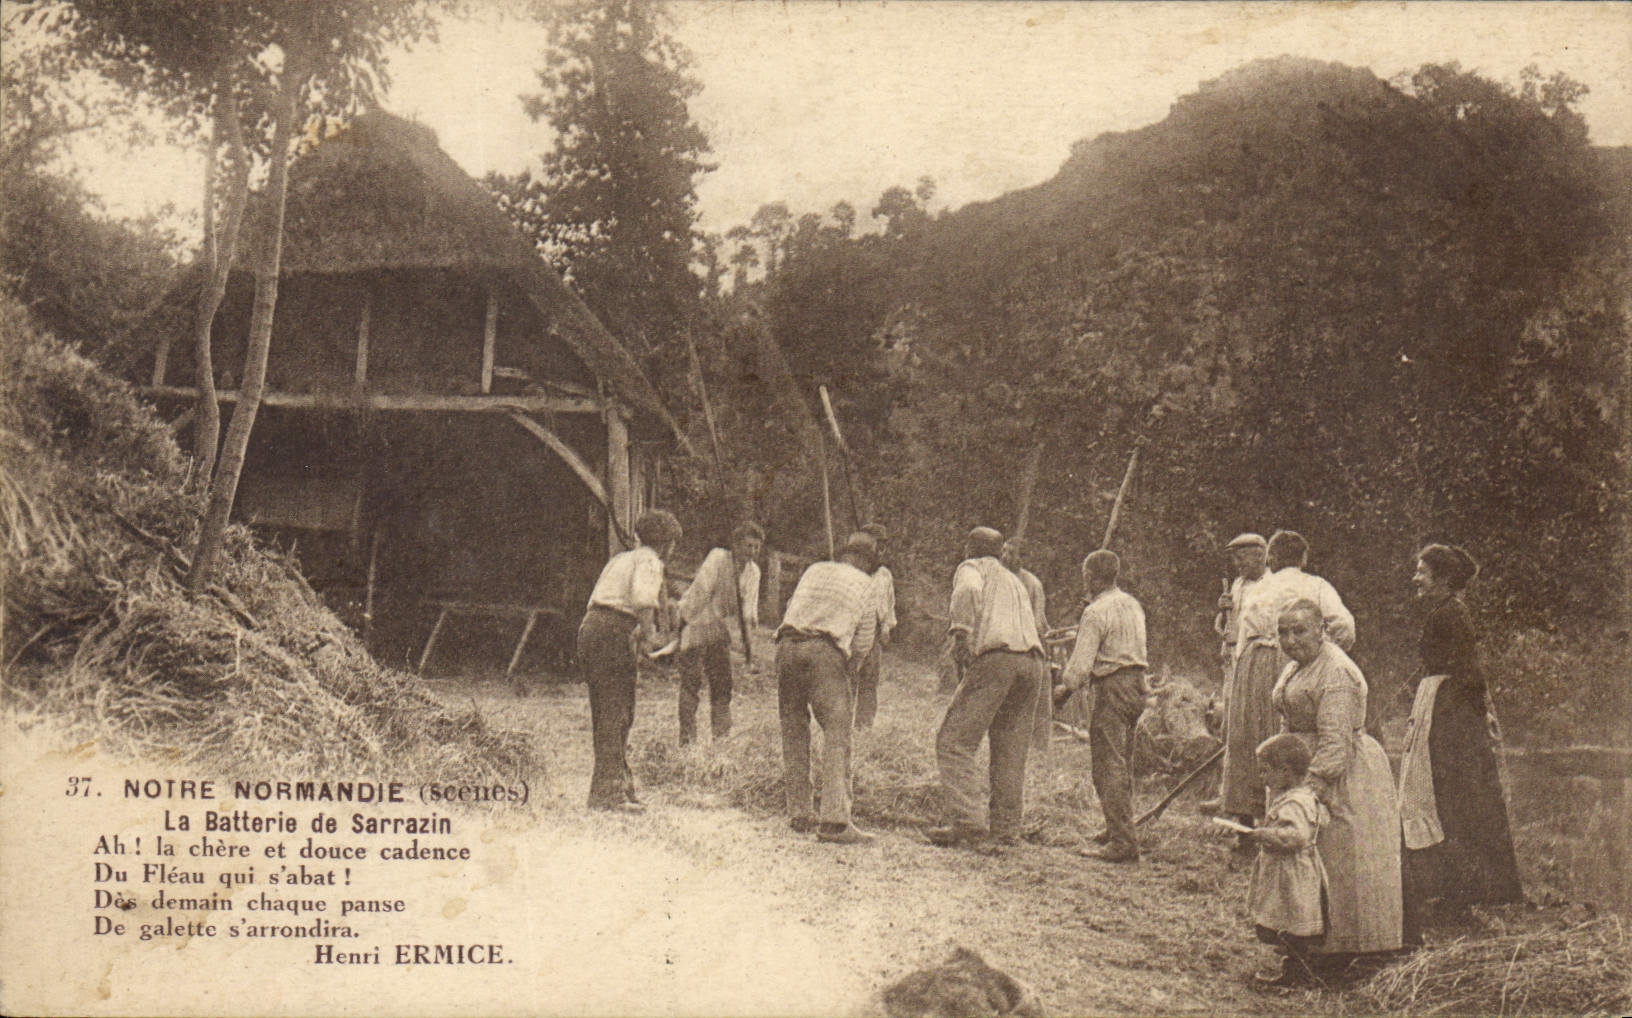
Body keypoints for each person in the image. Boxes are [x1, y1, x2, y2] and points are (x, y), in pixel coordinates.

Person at [1399, 544, 1524, 942]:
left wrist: (1474, 716)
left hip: (1450, 715)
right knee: (1442, 796)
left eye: (1422, 572)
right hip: (1442, 707)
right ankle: (1450, 889)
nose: (1416, 579)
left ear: (1443, 578)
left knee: (1451, 797)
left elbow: (1469, 670)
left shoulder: (1451, 614)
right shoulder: (1445, 613)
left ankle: (1460, 892)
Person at [1271, 599, 1402, 961]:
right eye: (1283, 632)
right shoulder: (1298, 667)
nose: (1290, 639)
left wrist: (1309, 791)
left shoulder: (1336, 672)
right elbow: (1288, 717)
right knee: (1302, 864)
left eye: (1299, 630)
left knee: (1339, 863)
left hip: (1342, 776)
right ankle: (1304, 946)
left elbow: (1336, 742)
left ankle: (1342, 955)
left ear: (1321, 630)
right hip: (1302, 766)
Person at [1223, 530, 1354, 831]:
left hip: (1250, 664)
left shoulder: (1258, 588)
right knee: (1283, 736)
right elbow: (1345, 626)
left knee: (1248, 739)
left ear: (1271, 559)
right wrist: (1324, 652)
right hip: (1288, 661)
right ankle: (1289, 817)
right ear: (1304, 558)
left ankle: (1247, 822)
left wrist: (1239, 672)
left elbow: (1242, 637)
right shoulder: (1315, 585)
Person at [927, 527, 1047, 849]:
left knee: (953, 742)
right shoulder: (1014, 579)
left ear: (970, 548)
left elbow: (966, 591)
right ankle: (1006, 830)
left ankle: (969, 824)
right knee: (1010, 750)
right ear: (998, 551)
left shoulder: (972, 568)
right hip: (1033, 663)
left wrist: (961, 635)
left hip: (999, 659)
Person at [775, 532, 879, 845]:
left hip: (786, 645)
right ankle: (834, 821)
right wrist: (851, 669)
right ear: (867, 562)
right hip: (825, 650)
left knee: (793, 728)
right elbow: (863, 640)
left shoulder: (815, 570)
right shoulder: (867, 584)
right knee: (837, 732)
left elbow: (793, 607)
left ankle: (800, 812)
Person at [578, 510, 682, 812]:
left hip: (592, 626)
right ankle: (608, 793)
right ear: (666, 544)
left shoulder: (622, 558)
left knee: (608, 710)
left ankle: (617, 785)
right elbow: (643, 601)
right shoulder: (650, 561)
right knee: (618, 711)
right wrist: (648, 641)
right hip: (612, 631)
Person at [1053, 548, 1150, 863]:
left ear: (1091, 577)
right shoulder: (1131, 603)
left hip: (1113, 685)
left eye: (1085, 577)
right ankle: (1117, 828)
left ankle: (1123, 842)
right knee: (1123, 761)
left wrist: (1062, 692)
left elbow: (1080, 667)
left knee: (1107, 764)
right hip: (1137, 685)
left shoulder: (1095, 612)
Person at [1246, 733, 1331, 988]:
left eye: (1265, 772)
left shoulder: (1296, 803)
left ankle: (1296, 974)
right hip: (1289, 871)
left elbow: (1297, 836)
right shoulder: (1300, 798)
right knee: (1288, 920)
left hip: (1292, 874)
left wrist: (1265, 834)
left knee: (1292, 921)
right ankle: (1293, 970)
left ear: (1285, 772)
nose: (1262, 778)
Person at [675, 521, 763, 745]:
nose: (751, 552)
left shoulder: (753, 572)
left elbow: (749, 613)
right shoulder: (718, 558)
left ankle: (721, 740)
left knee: (722, 684)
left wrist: (748, 649)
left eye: (756, 547)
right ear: (735, 545)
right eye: (747, 546)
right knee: (691, 682)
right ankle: (687, 741)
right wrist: (683, 621)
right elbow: (700, 591)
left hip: (719, 629)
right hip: (695, 622)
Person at [1202, 532, 1269, 816]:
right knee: (1229, 728)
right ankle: (1227, 793)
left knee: (1251, 730)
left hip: (1257, 666)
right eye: (1234, 557)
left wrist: (1237, 636)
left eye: (1242, 556)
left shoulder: (1271, 585)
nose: (1238, 563)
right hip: (1233, 663)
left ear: (1260, 554)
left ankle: (1256, 797)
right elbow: (1226, 625)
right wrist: (1222, 615)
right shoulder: (1239, 584)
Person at [1002, 539, 1053, 759]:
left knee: (1038, 699)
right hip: (1002, 647)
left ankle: (1039, 749)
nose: (1005, 556)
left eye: (1011, 553)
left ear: (1021, 559)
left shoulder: (1031, 583)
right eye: (1003, 551)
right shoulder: (997, 579)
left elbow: (1038, 621)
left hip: (1025, 646)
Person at [853, 522, 897, 729]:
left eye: (882, 547)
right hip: (854, 628)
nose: (880, 552)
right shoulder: (854, 570)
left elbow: (888, 602)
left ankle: (864, 724)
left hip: (876, 631)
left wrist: (887, 626)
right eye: (875, 547)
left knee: (870, 679)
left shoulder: (884, 575)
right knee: (849, 674)